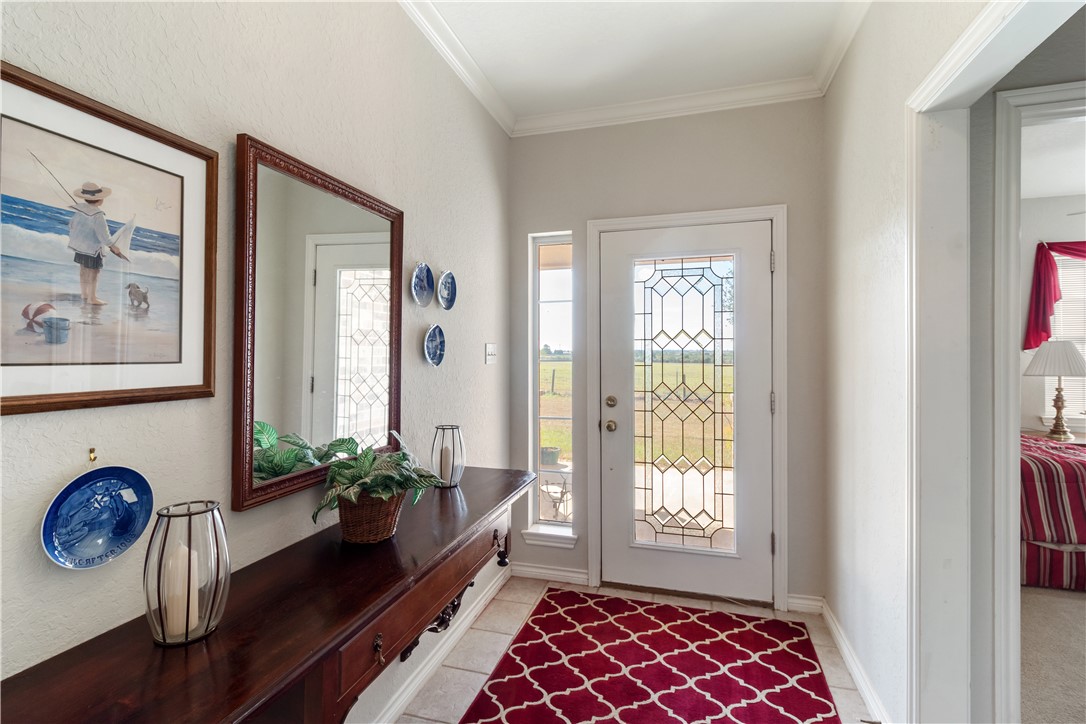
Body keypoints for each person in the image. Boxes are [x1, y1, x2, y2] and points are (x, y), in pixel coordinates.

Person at [67, 182, 126, 305]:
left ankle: (84, 294)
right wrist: (112, 246)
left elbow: (71, 225)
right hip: (93, 249)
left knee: (83, 269)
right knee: (94, 272)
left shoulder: (79, 210)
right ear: (100, 200)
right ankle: (92, 298)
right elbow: (103, 235)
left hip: (80, 246)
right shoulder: (98, 215)